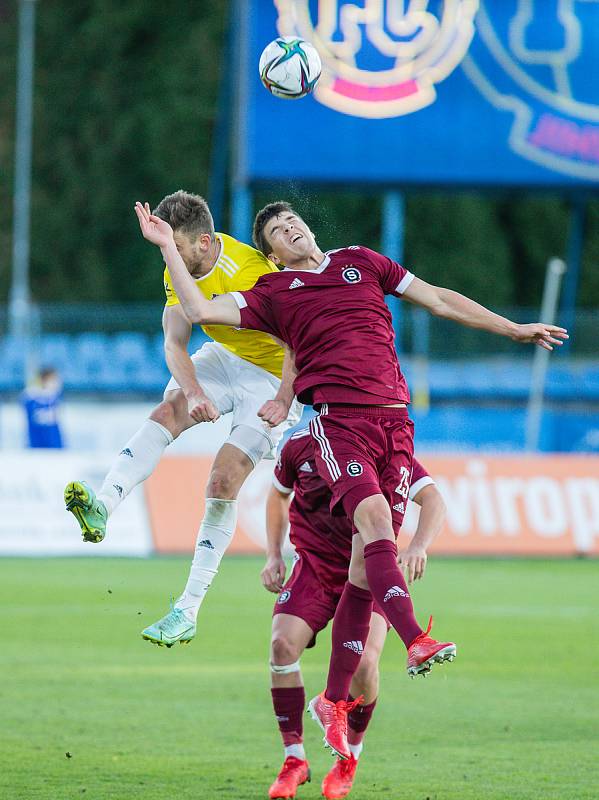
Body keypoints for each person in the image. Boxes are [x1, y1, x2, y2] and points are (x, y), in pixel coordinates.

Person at [133, 199, 568, 756]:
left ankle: (334, 701)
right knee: (375, 518)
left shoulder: (362, 261)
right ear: (271, 255)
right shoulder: (273, 295)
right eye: (276, 231)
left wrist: (511, 329)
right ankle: (415, 640)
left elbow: (436, 298)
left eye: (292, 221)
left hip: (395, 423)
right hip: (340, 421)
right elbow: (196, 309)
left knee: (370, 553)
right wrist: (169, 245)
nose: (291, 228)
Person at [65, 191, 300, 646]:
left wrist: (287, 397)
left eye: (176, 248)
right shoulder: (178, 264)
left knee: (222, 481)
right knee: (166, 409)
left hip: (273, 377)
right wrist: (192, 392)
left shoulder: (251, 270)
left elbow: (298, 337)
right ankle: (102, 505)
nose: (170, 258)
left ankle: (186, 610)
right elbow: (175, 342)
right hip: (227, 356)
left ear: (206, 242)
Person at [262, 426, 446, 800]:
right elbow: (277, 496)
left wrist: (419, 545)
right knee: (281, 646)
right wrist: (273, 554)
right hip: (316, 568)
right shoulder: (300, 446)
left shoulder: (379, 447)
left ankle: (350, 758)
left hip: (368, 569)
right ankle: (294, 759)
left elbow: (433, 499)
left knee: (364, 666)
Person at [22, 366, 65, 449]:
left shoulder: (56, 396)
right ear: (44, 379)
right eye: (53, 379)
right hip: (37, 443)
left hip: (55, 444)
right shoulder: (31, 396)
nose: (57, 382)